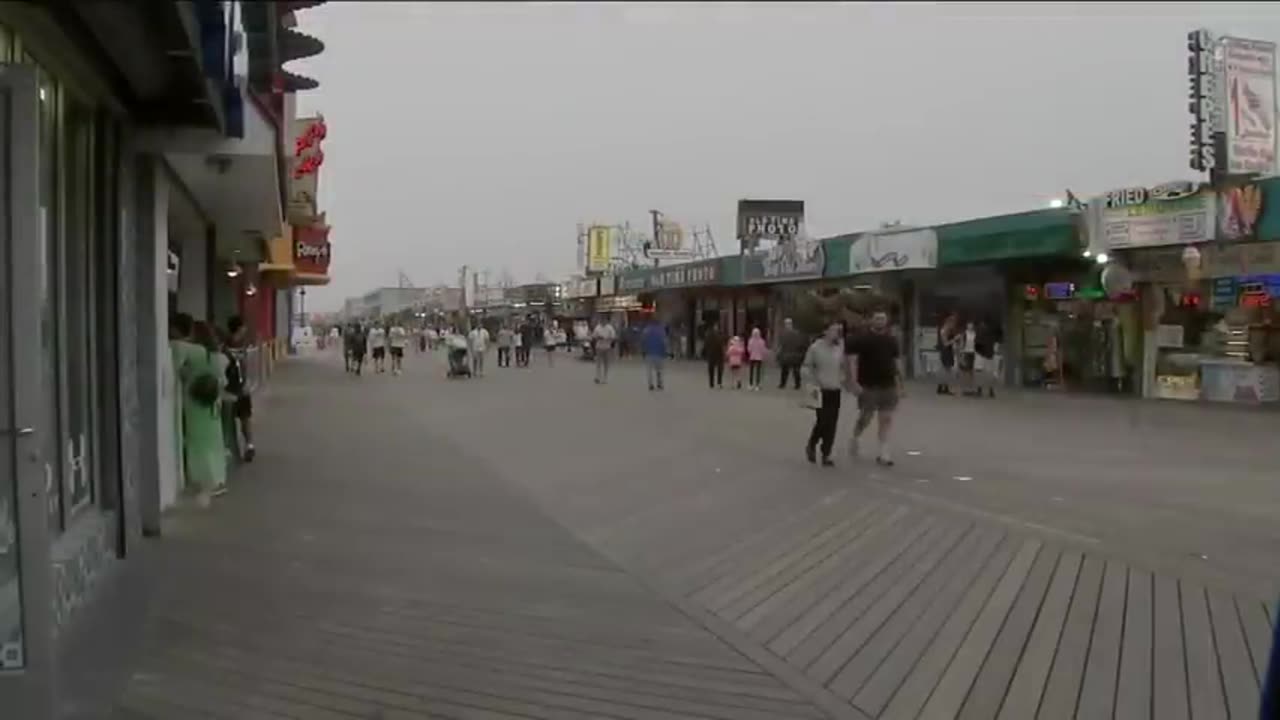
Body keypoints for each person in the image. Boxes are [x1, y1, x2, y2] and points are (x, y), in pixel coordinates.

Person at [177, 320, 229, 506]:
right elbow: (223, 382)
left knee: (197, 441)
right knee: (214, 441)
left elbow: (180, 370)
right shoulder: (218, 356)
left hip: (194, 402)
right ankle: (218, 479)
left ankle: (202, 480)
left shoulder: (192, 351)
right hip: (212, 404)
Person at [846, 310, 903, 466]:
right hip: (868, 384)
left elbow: (896, 361)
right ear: (871, 320)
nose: (880, 321)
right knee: (866, 416)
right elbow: (852, 361)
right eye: (877, 318)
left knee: (886, 418)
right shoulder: (862, 339)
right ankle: (856, 437)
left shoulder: (891, 340)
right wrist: (854, 381)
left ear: (886, 321)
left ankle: (884, 452)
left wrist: (900, 384)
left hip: (888, 384)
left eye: (883, 318)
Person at [802, 322, 846, 466]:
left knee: (832, 423)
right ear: (825, 331)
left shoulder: (839, 347)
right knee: (823, 420)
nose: (837, 333)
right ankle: (812, 444)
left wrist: (845, 378)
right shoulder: (815, 348)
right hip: (820, 389)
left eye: (838, 330)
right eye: (834, 330)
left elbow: (844, 366)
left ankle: (826, 453)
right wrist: (812, 381)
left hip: (835, 388)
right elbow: (806, 366)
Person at [222, 316, 256, 462]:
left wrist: (246, 381)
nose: (246, 329)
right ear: (239, 327)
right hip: (230, 388)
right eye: (244, 327)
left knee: (244, 417)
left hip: (239, 387)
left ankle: (249, 446)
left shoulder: (240, 345)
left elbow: (245, 365)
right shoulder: (226, 346)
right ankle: (233, 448)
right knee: (235, 419)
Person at [777, 318, 807, 390]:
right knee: (788, 370)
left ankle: (790, 384)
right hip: (790, 354)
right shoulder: (791, 333)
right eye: (786, 324)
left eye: (788, 324)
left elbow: (781, 345)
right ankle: (792, 384)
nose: (787, 325)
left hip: (790, 354)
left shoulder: (785, 334)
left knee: (792, 370)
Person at [641, 318, 667, 391]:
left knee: (649, 370)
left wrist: (643, 351)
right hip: (659, 352)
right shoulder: (661, 330)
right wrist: (664, 351)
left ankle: (650, 385)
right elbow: (664, 342)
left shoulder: (646, 330)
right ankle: (660, 384)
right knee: (659, 370)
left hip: (649, 352)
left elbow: (643, 341)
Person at [936, 313, 960, 394]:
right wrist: (955, 339)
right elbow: (945, 343)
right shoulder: (943, 330)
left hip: (948, 351)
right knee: (946, 370)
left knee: (947, 370)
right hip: (945, 351)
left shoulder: (949, 330)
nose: (954, 325)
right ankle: (943, 388)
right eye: (953, 323)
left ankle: (943, 387)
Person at [592, 319, 617, 384]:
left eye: (604, 320)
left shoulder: (610, 328)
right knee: (598, 363)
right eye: (602, 320)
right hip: (599, 347)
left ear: (607, 321)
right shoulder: (597, 327)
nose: (603, 322)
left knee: (606, 363)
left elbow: (613, 337)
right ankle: (598, 377)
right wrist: (598, 337)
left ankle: (605, 378)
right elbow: (594, 336)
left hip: (607, 347)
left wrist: (607, 338)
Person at [703, 323, 726, 389]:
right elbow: (721, 343)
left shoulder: (708, 334)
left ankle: (711, 383)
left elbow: (706, 344)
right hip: (718, 354)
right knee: (720, 369)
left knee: (711, 369)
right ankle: (719, 382)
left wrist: (705, 352)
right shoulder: (718, 335)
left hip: (711, 354)